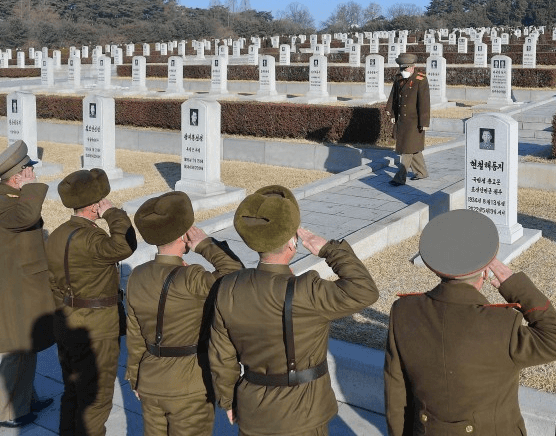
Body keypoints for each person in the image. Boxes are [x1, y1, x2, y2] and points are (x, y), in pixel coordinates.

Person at [384, 209, 556, 435]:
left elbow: (396, 391)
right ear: (484, 272)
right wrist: (514, 285)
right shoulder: (502, 325)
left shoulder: (403, 311)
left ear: (438, 268)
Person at [209, 185, 378, 436]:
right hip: (305, 416)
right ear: (292, 242)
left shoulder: (228, 287)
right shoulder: (306, 291)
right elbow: (364, 290)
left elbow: (221, 355)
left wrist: (227, 399)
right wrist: (329, 249)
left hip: (254, 412)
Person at [126, 192, 243, 436]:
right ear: (183, 234)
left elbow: (135, 336)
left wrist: (136, 377)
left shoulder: (137, 275)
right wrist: (205, 244)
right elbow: (235, 275)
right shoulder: (192, 278)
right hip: (190, 386)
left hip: (150, 382)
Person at [46, 169, 137, 436]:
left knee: (72, 392)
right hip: (96, 329)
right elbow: (125, 245)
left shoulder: (58, 234)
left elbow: (52, 282)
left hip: (66, 322)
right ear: (94, 205)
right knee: (96, 400)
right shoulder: (92, 238)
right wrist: (113, 213)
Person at [0, 141, 54, 428]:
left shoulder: (11, 197)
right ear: (17, 176)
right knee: (16, 351)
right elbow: (26, 216)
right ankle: (8, 412)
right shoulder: (5, 202)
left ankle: (25, 399)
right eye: (28, 170)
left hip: (23, 284)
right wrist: (31, 188)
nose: (33, 173)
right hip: (14, 289)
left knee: (27, 347)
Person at [386, 53, 431, 185]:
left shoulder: (420, 80)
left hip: (414, 121)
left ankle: (399, 178)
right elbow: (393, 97)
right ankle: (421, 172)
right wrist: (392, 113)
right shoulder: (398, 78)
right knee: (413, 148)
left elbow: (424, 102)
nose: (403, 71)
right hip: (402, 121)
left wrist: (424, 122)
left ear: (412, 67)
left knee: (407, 150)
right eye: (401, 68)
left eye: (405, 68)